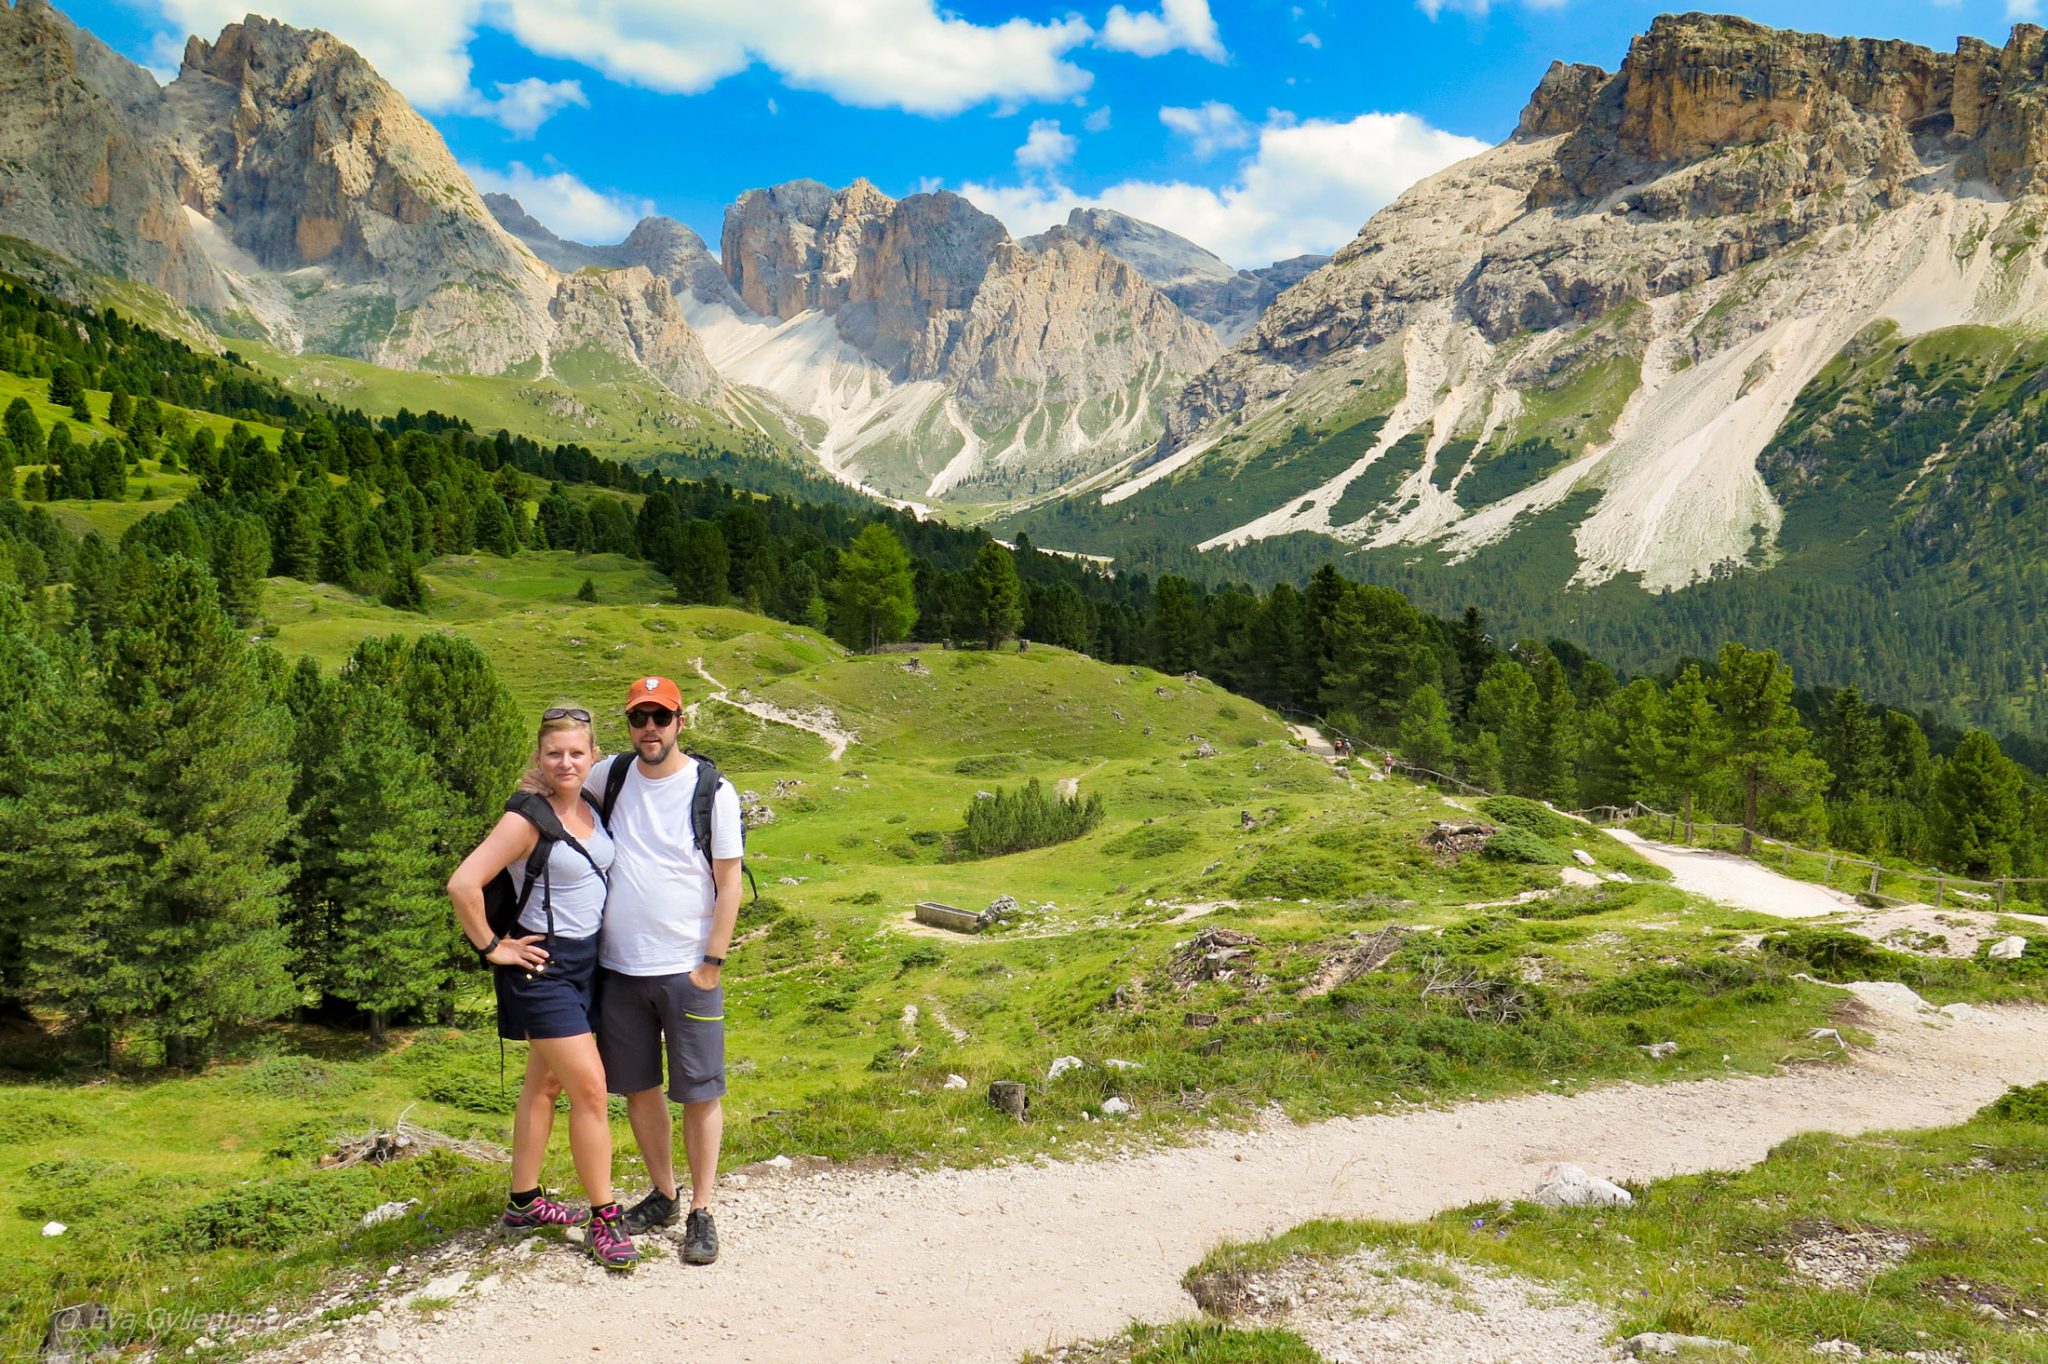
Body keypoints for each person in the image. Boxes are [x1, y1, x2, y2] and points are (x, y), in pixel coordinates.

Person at [447, 705, 637, 1270]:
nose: (565, 762)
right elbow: (463, 883)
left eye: (576, 752)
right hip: (542, 968)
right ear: (539, 757)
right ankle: (604, 1218)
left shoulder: (592, 807)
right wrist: (492, 947)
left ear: (592, 756)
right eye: (554, 753)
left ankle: (524, 1202)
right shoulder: (525, 819)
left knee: (546, 1084)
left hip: (588, 964)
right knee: (591, 1091)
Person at [593, 676, 743, 1266]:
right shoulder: (610, 774)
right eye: (639, 718)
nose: (649, 728)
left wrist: (712, 963)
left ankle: (702, 1209)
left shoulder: (713, 790)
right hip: (619, 969)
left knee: (700, 1091)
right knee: (638, 1088)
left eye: (661, 716)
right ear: (628, 725)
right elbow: (553, 774)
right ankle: (664, 1194)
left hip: (688, 967)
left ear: (681, 721)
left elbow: (728, 881)